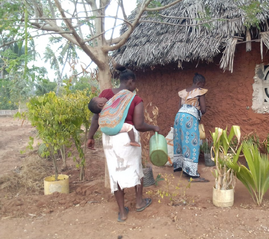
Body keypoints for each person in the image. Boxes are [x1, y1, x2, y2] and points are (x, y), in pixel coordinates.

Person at [86, 65, 159, 222]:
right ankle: (139, 202)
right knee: (136, 168)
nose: (135, 87)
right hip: (127, 137)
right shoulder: (135, 98)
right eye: (135, 84)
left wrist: (90, 136)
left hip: (110, 139)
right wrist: (153, 127)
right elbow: (139, 125)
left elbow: (96, 118)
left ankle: (122, 212)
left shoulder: (105, 94)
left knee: (115, 173)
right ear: (131, 82)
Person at [173, 73, 208, 182]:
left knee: (180, 141)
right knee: (192, 143)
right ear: (199, 83)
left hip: (179, 117)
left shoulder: (183, 92)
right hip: (190, 118)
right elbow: (203, 109)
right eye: (202, 84)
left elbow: (179, 107)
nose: (202, 86)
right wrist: (199, 112)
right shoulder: (199, 91)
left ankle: (179, 166)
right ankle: (192, 173)